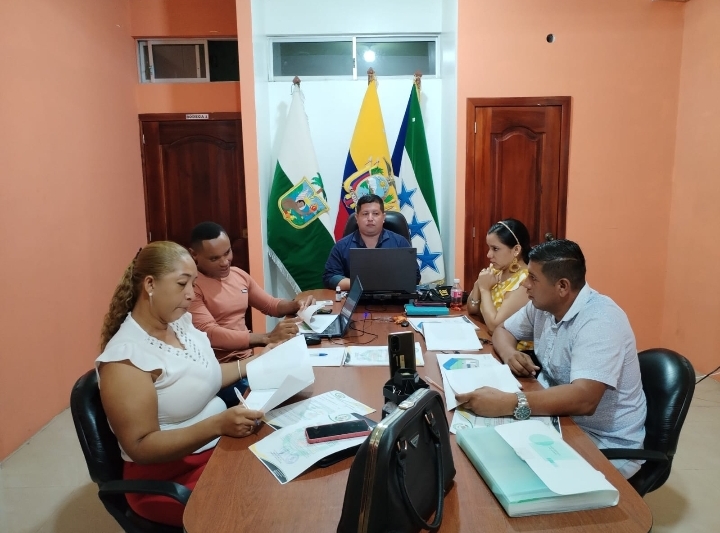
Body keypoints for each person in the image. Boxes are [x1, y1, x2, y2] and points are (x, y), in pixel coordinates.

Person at [96, 242, 264, 527]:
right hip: (168, 477)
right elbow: (141, 446)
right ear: (150, 284)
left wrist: (259, 361)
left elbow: (205, 376)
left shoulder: (180, 323)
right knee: (255, 505)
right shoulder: (126, 359)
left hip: (215, 448)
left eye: (193, 283)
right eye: (181, 284)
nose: (191, 294)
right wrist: (217, 425)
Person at [456, 240, 647, 479]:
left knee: (502, 476)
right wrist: (510, 354)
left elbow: (585, 399)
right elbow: (503, 330)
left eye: (533, 278)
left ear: (562, 286)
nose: (525, 284)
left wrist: (508, 403)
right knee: (478, 453)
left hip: (600, 442)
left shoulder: (600, 321)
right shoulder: (542, 306)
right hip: (555, 419)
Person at [188, 221, 312, 406]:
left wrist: (296, 305)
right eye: (214, 258)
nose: (225, 262)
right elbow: (210, 333)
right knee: (283, 397)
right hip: (222, 373)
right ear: (194, 255)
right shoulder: (191, 287)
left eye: (227, 253)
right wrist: (265, 338)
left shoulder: (238, 275)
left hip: (250, 363)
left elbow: (270, 305)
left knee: (302, 380)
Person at [323, 193, 420, 290]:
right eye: (365, 214)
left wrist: (374, 283)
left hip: (392, 297)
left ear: (383, 217)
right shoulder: (342, 246)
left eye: (375, 214)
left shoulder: (400, 243)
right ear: (357, 218)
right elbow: (330, 277)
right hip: (355, 296)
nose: (370, 218)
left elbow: (414, 276)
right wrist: (361, 284)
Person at [466, 219, 532, 351]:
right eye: (489, 248)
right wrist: (479, 283)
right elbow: (472, 309)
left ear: (516, 250)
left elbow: (495, 327)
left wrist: (485, 289)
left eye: (495, 249)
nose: (488, 255)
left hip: (515, 354)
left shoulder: (525, 281)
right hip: (490, 342)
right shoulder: (497, 271)